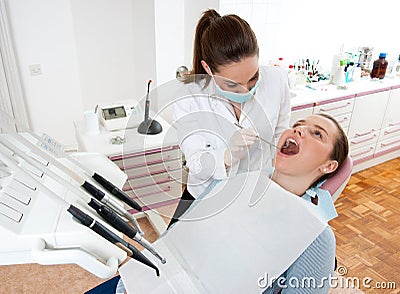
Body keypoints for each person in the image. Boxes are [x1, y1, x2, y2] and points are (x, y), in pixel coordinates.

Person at [169, 9, 291, 227]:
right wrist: (226, 156)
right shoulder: (188, 98)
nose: (245, 91)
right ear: (207, 68)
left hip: (254, 195)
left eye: (253, 79)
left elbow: (281, 135)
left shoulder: (277, 80)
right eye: (232, 84)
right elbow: (196, 163)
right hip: (204, 196)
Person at [263, 113, 349, 293]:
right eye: (298, 124)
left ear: (328, 166)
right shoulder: (242, 181)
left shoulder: (317, 237)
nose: (299, 130)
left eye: (318, 134)